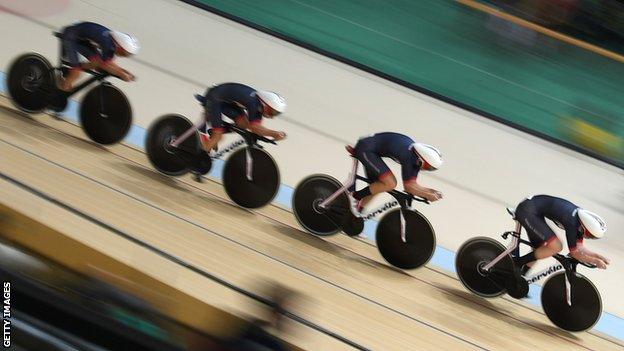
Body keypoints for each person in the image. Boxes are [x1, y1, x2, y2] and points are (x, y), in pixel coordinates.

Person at [347, 132, 443, 216]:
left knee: (378, 186)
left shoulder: (416, 156)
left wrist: (430, 191)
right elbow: (409, 187)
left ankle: (355, 215)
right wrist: (427, 195)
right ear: (422, 160)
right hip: (366, 149)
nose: (428, 170)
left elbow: (413, 185)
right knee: (390, 183)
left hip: (371, 149)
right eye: (429, 167)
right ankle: (354, 196)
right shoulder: (409, 157)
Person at [513, 195, 609, 271]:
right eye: (591, 236)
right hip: (527, 211)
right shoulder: (572, 222)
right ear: (586, 229)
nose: (590, 238)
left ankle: (520, 277)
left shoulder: (581, 222)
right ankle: (517, 263)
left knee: (540, 250)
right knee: (556, 246)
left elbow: (580, 248)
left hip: (533, 209)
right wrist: (595, 261)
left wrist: (598, 257)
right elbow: (574, 253)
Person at [195, 83, 287, 153]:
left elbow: (256, 127)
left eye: (276, 114)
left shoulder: (259, 106)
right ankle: (197, 159)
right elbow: (255, 128)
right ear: (266, 104)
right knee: (218, 137)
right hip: (214, 98)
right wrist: (274, 134)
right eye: (272, 112)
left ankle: (214, 131)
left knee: (242, 125)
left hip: (225, 101)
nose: (272, 116)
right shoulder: (253, 103)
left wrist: (274, 134)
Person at [58, 22, 139, 92]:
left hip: (81, 39)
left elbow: (109, 63)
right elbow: (105, 65)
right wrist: (122, 74)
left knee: (95, 63)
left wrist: (124, 72)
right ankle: (61, 89)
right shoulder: (107, 43)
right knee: (77, 73)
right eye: (124, 53)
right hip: (70, 36)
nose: (123, 56)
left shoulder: (112, 43)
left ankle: (72, 70)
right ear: (120, 47)